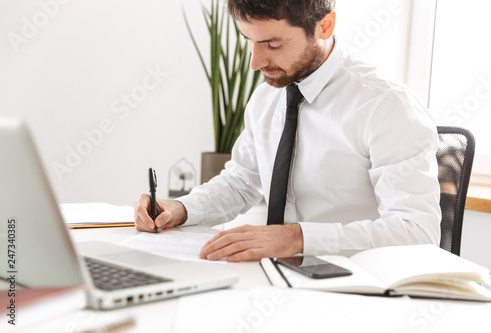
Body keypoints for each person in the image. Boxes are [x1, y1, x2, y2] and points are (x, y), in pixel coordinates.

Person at [134, 0, 441, 262]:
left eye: (273, 44)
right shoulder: (267, 96)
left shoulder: (385, 105)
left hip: (357, 290)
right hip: (273, 283)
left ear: (324, 27)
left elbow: (418, 232)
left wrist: (297, 239)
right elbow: (242, 181)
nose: (255, 62)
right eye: (249, 41)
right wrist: (182, 208)